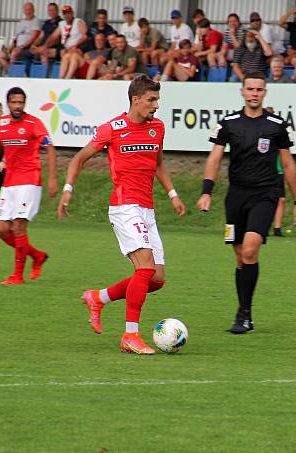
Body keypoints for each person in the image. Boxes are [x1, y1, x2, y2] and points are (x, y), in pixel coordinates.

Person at [58, 75, 186, 354]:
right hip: (124, 206)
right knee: (145, 267)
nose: (156, 105)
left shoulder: (157, 128)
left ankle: (98, 298)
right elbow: (79, 159)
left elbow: (159, 164)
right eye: (151, 100)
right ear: (135, 100)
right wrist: (68, 189)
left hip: (147, 208)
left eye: (157, 99)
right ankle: (130, 335)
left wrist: (173, 194)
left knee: (157, 279)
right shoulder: (112, 129)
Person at [197, 72, 296, 334]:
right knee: (239, 256)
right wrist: (206, 191)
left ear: (265, 92)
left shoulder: (276, 125)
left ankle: (244, 314)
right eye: (250, 89)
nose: (254, 93)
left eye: (259, 89)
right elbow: (214, 159)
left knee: (249, 250)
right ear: (242, 92)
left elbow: (288, 164)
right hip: (236, 197)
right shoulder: (228, 124)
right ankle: (244, 309)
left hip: (265, 195)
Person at [0, 87, 57, 285]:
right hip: (9, 182)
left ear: (25, 104)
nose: (17, 106)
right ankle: (37, 256)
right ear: (8, 104)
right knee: (2, 230)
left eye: (21, 102)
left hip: (30, 180)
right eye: (14, 102)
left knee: (19, 225)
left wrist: (53, 178)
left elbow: (49, 146)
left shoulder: (33, 123)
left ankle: (17, 276)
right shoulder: (2, 123)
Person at [0, 2, 41, 73]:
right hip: (17, 48)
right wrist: (9, 49)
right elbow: (15, 38)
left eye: (29, 10)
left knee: (14, 54)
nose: (28, 12)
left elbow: (33, 37)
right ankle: (11, 72)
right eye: (26, 10)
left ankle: (12, 76)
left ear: (33, 10)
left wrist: (21, 47)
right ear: (24, 10)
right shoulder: (22, 22)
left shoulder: (36, 21)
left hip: (27, 48)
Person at [49, 6, 88, 78]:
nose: (67, 15)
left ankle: (68, 78)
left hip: (78, 48)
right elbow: (53, 37)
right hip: (65, 49)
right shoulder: (62, 23)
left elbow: (85, 36)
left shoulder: (78, 22)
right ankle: (61, 78)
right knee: (65, 56)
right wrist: (44, 47)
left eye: (68, 13)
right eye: (65, 14)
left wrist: (75, 46)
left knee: (71, 55)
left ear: (72, 13)